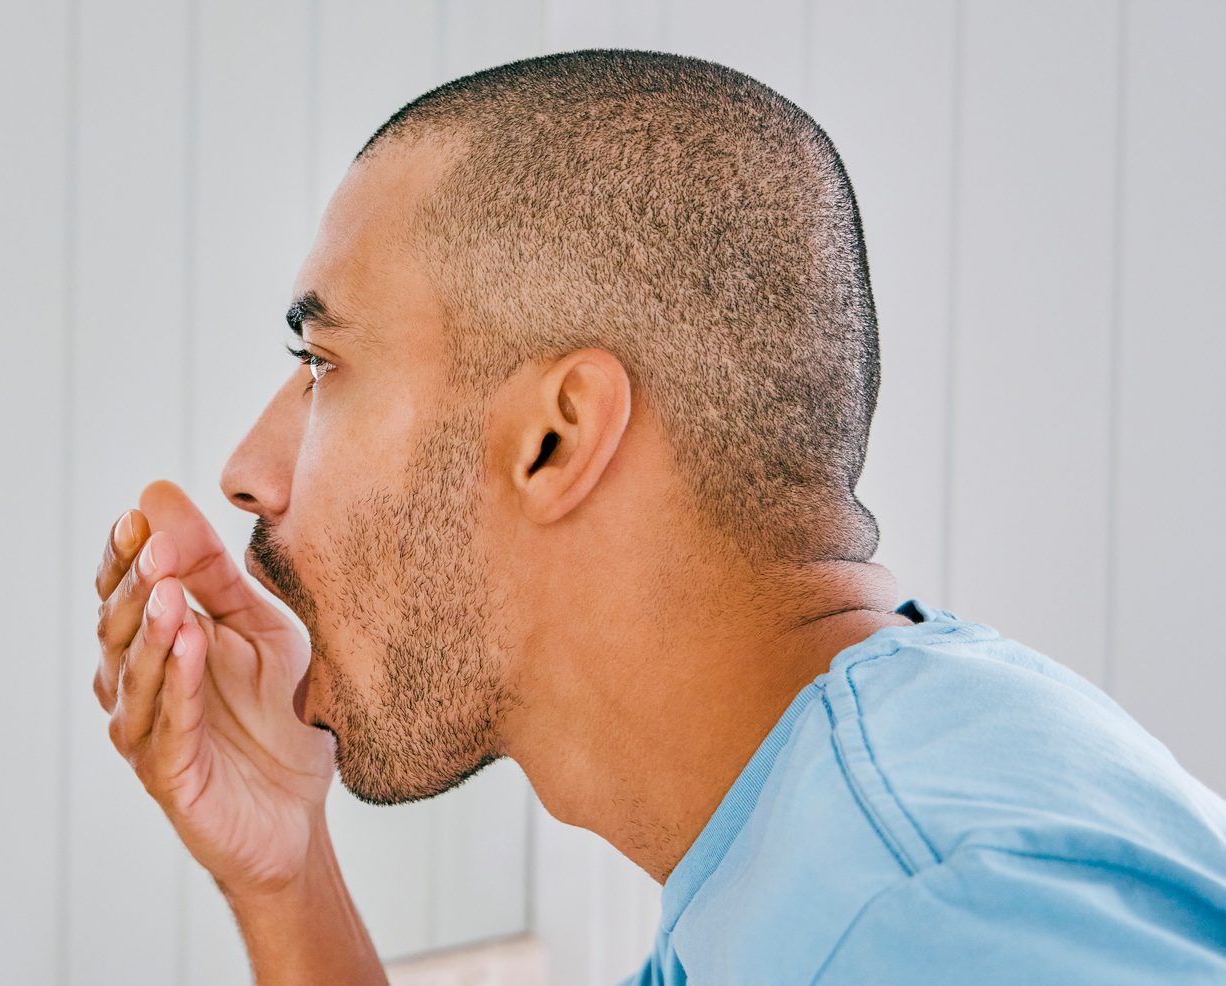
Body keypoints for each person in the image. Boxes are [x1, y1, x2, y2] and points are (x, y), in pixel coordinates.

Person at [89, 49, 1226, 983]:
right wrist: (284, 873)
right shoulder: (798, 842)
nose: (246, 471)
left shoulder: (926, 914)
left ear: (557, 437)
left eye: (323, 363)